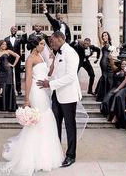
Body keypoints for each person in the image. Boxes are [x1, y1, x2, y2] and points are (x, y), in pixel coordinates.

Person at [2, 35, 64, 175]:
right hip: (36, 92)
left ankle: (45, 153)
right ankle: (32, 156)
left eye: (43, 44)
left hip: (44, 91)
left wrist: (53, 61)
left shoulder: (42, 57)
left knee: (46, 120)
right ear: (35, 45)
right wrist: (26, 99)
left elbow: (47, 73)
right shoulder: (30, 59)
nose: (43, 46)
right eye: (41, 44)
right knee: (39, 121)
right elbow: (28, 79)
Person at [37, 31, 82, 167]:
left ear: (59, 38)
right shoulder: (58, 54)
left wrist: (50, 84)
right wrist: (48, 81)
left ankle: (71, 155)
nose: (51, 43)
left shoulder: (71, 53)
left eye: (52, 40)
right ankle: (55, 153)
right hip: (56, 95)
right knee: (54, 124)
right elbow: (56, 74)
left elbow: (71, 77)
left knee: (69, 125)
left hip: (68, 96)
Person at [100, 57, 126, 129]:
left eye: (125, 64)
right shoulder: (117, 70)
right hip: (116, 87)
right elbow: (112, 64)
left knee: (118, 96)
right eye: (122, 64)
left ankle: (116, 115)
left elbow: (125, 81)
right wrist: (111, 58)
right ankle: (110, 114)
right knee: (106, 99)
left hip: (125, 87)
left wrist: (117, 89)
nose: (123, 65)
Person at [0, 40, 20, 111]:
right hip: (1, 71)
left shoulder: (8, 51)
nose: (4, 45)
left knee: (8, 86)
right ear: (0, 45)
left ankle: (9, 106)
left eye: (5, 44)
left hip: (8, 71)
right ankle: (2, 106)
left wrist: (13, 65)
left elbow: (18, 56)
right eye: (2, 44)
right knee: (1, 86)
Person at [4, 26, 28, 95]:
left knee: (17, 75)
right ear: (10, 30)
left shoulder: (19, 38)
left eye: (15, 29)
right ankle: (10, 89)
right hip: (9, 58)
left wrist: (24, 33)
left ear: (17, 30)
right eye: (12, 29)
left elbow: (25, 42)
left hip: (17, 58)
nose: (13, 30)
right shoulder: (6, 39)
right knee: (9, 74)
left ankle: (19, 90)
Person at [95, 23, 114, 102]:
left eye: (105, 35)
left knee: (108, 76)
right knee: (105, 75)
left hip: (109, 61)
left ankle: (106, 94)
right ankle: (103, 96)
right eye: (103, 36)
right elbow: (99, 35)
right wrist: (99, 26)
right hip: (103, 61)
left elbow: (110, 55)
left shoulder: (110, 44)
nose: (104, 37)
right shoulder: (103, 43)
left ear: (108, 36)